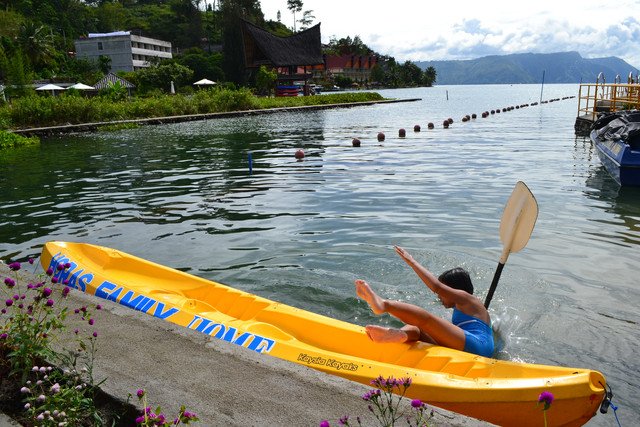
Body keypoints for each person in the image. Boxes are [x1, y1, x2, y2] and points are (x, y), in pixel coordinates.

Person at [355, 245, 494, 358]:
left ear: (452, 289)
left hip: (478, 346)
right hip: (474, 346)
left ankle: (383, 304)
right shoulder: (467, 307)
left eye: (444, 293)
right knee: (417, 329)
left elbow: (436, 287)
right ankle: (395, 335)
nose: (440, 297)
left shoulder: (468, 299)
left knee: (426, 319)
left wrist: (412, 262)